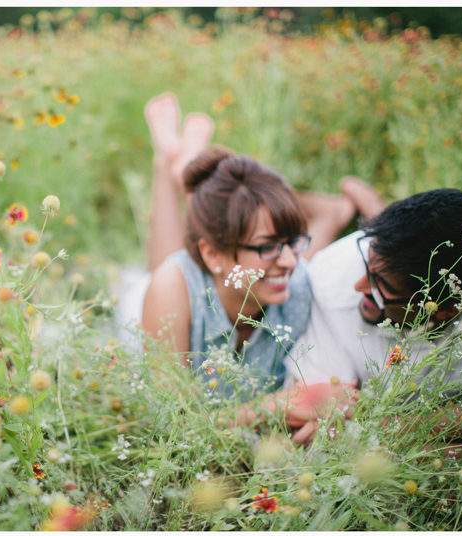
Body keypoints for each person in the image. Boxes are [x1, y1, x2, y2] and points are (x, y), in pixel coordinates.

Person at [139, 92, 381, 398]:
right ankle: (167, 162)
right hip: (151, 298)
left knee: (245, 217)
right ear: (212, 254)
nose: (292, 261)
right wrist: (277, 408)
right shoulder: (171, 287)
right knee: (164, 268)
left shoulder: (301, 286)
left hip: (228, 258)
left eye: (294, 241)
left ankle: (190, 168)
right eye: (267, 247)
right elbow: (171, 423)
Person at [261, 188, 462, 443]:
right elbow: (319, 407)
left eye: (382, 285)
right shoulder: (331, 282)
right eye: (368, 264)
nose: (360, 285)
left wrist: (394, 428)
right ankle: (336, 212)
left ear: (445, 310)